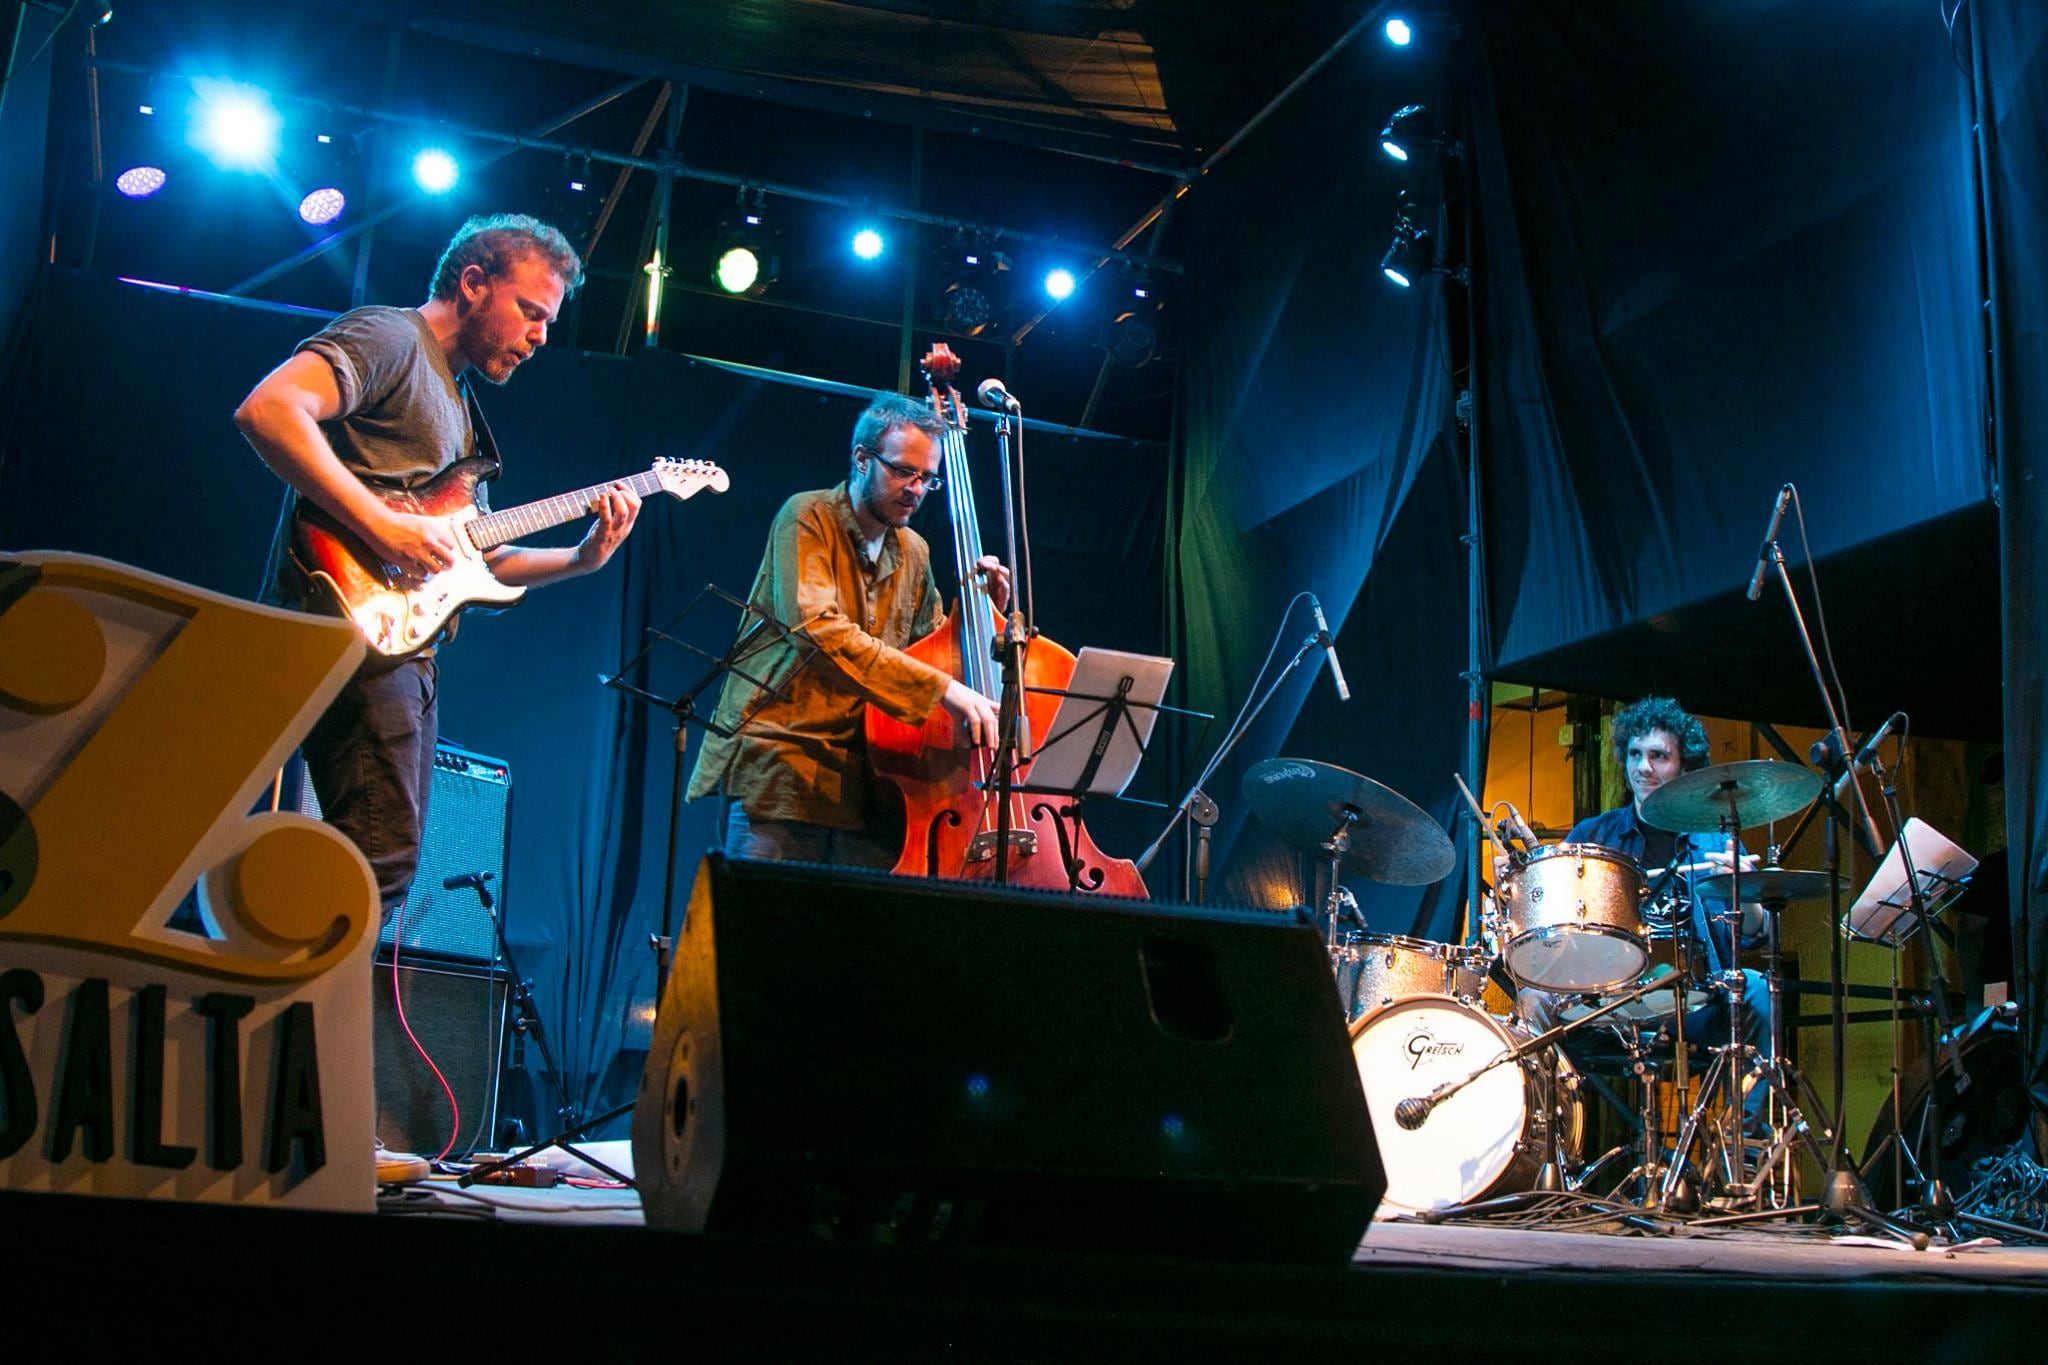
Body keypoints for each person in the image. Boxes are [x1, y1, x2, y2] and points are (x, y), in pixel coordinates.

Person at [235, 213, 642, 918]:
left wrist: (582, 557)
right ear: (474, 282)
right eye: (531, 312)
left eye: (548, 320)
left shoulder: (461, 409)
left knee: (382, 863)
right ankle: (294, 1014)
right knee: (377, 862)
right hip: (352, 633)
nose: (541, 336)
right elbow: (270, 410)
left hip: (405, 645)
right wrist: (380, 522)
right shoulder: (390, 337)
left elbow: (479, 555)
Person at [686, 391, 1008, 867]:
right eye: (903, 471)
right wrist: (944, 689)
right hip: (785, 768)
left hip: (868, 784)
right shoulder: (807, 516)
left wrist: (982, 613)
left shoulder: (914, 551)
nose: (916, 489)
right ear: (862, 459)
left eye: (927, 478)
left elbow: (930, 649)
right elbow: (819, 629)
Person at [1507, 696, 1774, 1133]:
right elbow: (1551, 933)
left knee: (1760, 993)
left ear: (1684, 766)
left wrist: (1747, 895)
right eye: (1635, 754)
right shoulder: (1593, 835)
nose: (1643, 767)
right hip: (1606, 1001)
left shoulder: (1714, 840)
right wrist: (1526, 883)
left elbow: (1756, 937)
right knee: (1533, 1000)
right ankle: (1547, 1144)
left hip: (1696, 1002)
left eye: (1658, 756)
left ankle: (1744, 1147)